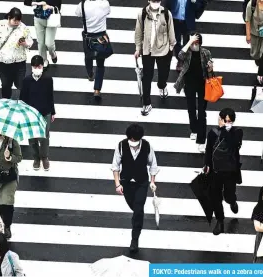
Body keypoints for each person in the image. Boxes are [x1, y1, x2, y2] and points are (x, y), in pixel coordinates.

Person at [111, 124, 159, 253]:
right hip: (126, 183)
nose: (133, 142)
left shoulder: (147, 146)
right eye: (131, 140)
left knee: (138, 208)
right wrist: (117, 184)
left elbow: (152, 164)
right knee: (134, 207)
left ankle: (134, 239)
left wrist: (152, 181)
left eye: (135, 140)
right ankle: (137, 218)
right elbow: (115, 167)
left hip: (141, 182)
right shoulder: (121, 146)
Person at [204, 108, 243, 236]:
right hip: (215, 171)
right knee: (215, 198)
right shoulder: (212, 133)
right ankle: (220, 221)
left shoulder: (237, 132)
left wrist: (224, 130)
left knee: (228, 195)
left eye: (229, 121)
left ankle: (232, 201)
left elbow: (233, 144)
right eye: (224, 121)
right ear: (219, 119)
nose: (227, 123)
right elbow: (208, 149)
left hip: (230, 172)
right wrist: (207, 165)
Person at [135, 0, 176, 115]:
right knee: (147, 77)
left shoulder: (167, 13)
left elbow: (171, 31)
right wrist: (138, 48)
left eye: (157, 0)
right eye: (153, 0)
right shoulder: (142, 14)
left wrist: (172, 46)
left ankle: (162, 85)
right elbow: (138, 32)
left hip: (164, 50)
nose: (155, 2)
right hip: (148, 50)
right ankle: (146, 103)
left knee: (164, 73)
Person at [173, 32, 213, 152]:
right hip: (189, 84)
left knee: (202, 112)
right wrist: (189, 41)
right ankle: (194, 129)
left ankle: (201, 140)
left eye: (196, 42)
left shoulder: (206, 53)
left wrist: (210, 69)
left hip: (202, 85)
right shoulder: (187, 52)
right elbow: (179, 55)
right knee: (191, 108)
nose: (194, 45)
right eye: (192, 43)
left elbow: (210, 73)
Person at [19, 55, 56, 171]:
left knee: (44, 137)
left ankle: (44, 157)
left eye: (39, 66)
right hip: (30, 114)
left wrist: (53, 112)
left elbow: (50, 96)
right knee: (32, 138)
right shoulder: (26, 81)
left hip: (45, 112)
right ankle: (36, 158)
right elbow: (22, 98)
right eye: (35, 66)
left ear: (42, 66)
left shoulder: (48, 79)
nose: (37, 68)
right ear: (32, 67)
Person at [0, 8, 33, 99]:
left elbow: (30, 42)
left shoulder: (23, 28)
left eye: (19, 20)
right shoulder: (0, 24)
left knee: (20, 84)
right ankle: (6, 101)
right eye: (15, 20)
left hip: (19, 62)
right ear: (9, 18)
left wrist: (25, 44)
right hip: (3, 62)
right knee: (5, 85)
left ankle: (22, 102)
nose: (17, 22)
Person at [0, 134, 22, 240]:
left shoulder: (12, 141)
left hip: (8, 177)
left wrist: (9, 157)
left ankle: (6, 226)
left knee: (6, 203)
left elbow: (19, 157)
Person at [75, 0, 111, 99]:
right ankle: (97, 89)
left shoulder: (82, 5)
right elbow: (108, 12)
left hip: (88, 36)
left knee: (88, 56)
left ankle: (90, 74)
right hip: (101, 37)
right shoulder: (105, 4)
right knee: (100, 64)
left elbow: (77, 14)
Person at [164, 0, 201, 72]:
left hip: (187, 20)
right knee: (176, 42)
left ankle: (185, 60)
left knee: (187, 41)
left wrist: (196, 11)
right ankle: (180, 60)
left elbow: (201, 3)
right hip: (175, 20)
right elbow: (167, 3)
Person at [24, 0, 61, 67]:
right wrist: (37, 3)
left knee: (49, 44)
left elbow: (58, 6)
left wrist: (48, 6)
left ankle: (52, 53)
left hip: (51, 17)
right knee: (41, 43)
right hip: (38, 17)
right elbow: (26, 2)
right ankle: (44, 60)